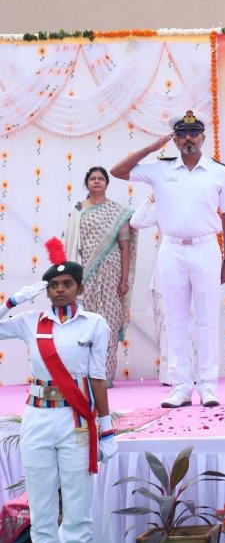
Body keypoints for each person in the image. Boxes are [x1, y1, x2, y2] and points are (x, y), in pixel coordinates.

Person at [0, 238, 116, 543]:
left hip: (75, 422)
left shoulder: (95, 324)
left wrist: (106, 429)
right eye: (53, 286)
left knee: (78, 515)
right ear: (47, 292)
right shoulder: (29, 322)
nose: (60, 290)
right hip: (37, 418)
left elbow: (97, 378)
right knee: (43, 515)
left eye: (67, 284)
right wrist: (12, 301)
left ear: (78, 287)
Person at [111, 108, 225, 408]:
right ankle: (181, 385)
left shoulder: (219, 171)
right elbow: (117, 171)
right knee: (175, 319)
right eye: (182, 134)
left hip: (206, 248)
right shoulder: (159, 168)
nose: (188, 138)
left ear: (203, 137)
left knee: (207, 319)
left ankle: (208, 385)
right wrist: (151, 148)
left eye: (194, 133)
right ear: (175, 140)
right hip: (173, 250)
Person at [64, 165, 137, 386]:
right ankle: (84, 374)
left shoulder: (118, 212)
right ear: (87, 183)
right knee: (83, 323)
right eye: (93, 178)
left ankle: (105, 375)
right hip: (84, 275)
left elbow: (125, 248)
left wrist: (124, 280)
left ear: (106, 183)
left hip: (111, 274)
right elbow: (69, 243)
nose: (97, 181)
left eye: (101, 178)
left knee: (109, 322)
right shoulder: (77, 210)